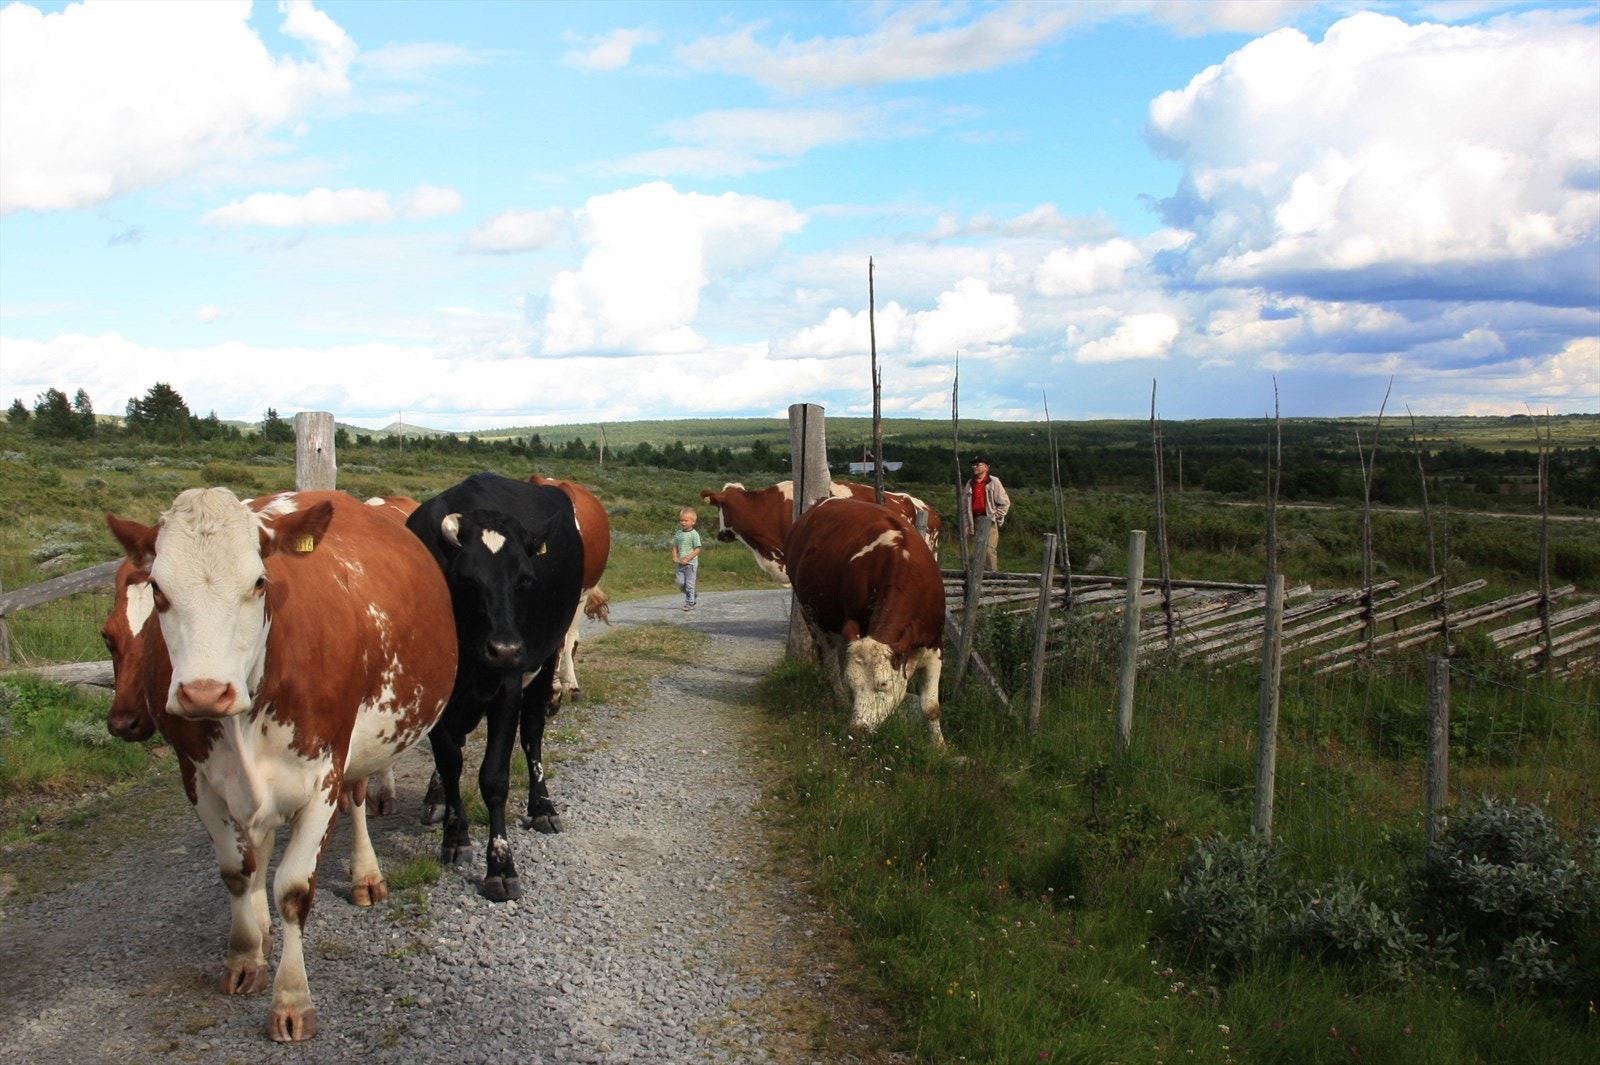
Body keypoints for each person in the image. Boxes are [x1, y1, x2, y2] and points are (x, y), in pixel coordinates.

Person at [960, 453, 1011, 572]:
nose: (974, 467)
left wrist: (995, 516)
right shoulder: (970, 483)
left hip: (989, 520)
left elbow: (1005, 503)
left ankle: (993, 578)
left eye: (978, 464)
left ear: (987, 467)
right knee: (976, 550)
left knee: (989, 550)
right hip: (975, 520)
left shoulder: (993, 482)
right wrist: (966, 523)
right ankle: (978, 577)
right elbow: (964, 507)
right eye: (973, 465)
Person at [672, 505, 702, 610]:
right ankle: (692, 595)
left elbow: (697, 549)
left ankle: (689, 603)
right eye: (681, 520)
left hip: (691, 564)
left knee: (689, 584)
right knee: (680, 583)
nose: (683, 523)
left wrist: (688, 558)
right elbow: (675, 546)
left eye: (686, 520)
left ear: (693, 522)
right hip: (680, 564)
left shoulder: (694, 534)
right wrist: (675, 556)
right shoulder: (678, 533)